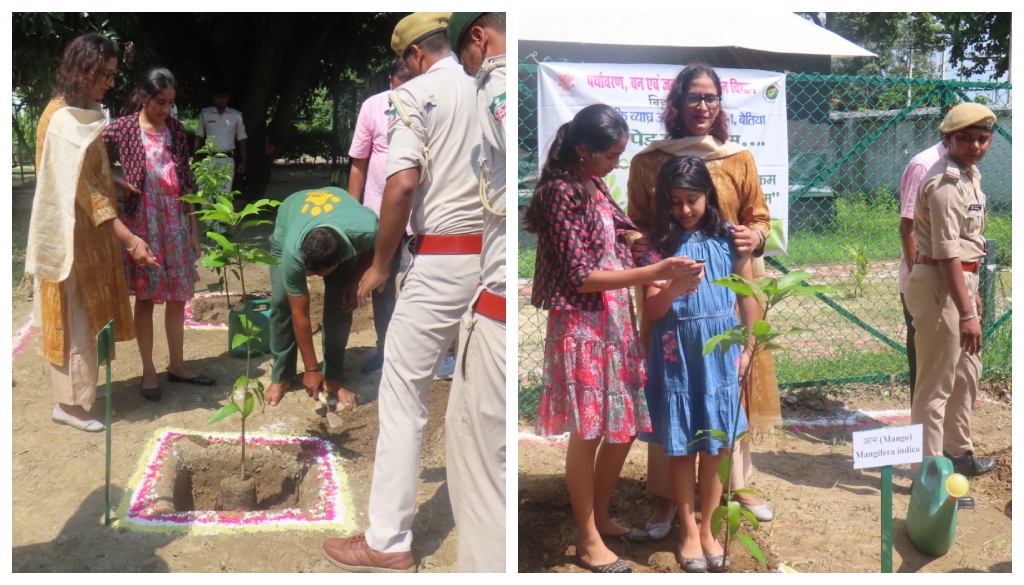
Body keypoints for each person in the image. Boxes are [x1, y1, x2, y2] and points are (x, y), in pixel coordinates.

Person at [321, 13, 483, 572]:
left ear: (413, 55)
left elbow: (403, 182)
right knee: (475, 394)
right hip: (493, 261)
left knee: (402, 393)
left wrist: (380, 265)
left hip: (439, 258)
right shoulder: (486, 85)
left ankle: (387, 541)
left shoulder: (412, 94)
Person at [524, 104, 704, 573]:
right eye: (610, 155)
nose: (616, 164)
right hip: (583, 325)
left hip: (614, 320)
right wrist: (654, 269)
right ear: (584, 151)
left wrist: (636, 241)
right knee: (588, 432)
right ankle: (586, 540)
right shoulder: (558, 193)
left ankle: (600, 515)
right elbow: (581, 276)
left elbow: (621, 230)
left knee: (620, 425)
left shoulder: (593, 184)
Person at [627, 64, 779, 534]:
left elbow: (760, 216)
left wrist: (754, 236)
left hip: (729, 279)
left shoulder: (739, 159)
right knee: (671, 386)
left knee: (729, 381)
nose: (703, 107)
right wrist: (645, 246)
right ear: (674, 104)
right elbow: (631, 222)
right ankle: (665, 496)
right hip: (669, 283)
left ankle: (735, 484)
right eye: (693, 97)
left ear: (720, 104)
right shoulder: (648, 162)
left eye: (711, 98)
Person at [25, 33, 150, 431]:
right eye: (105, 74)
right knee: (75, 316)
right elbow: (85, 190)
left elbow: (89, 172)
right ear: (83, 70)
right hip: (72, 239)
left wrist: (114, 179)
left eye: (113, 75)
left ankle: (80, 395)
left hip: (91, 236)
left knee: (88, 312)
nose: (110, 83)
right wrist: (130, 239)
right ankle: (72, 406)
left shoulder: (81, 110)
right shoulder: (61, 119)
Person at [640, 156, 757, 572]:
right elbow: (653, 309)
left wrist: (747, 345)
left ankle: (708, 526)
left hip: (721, 356)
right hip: (676, 357)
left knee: (717, 444)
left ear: (708, 194)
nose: (684, 210)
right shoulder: (659, 245)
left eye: (692, 199)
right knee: (682, 444)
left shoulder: (729, 238)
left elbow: (746, 294)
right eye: (674, 202)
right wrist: (673, 285)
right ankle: (687, 529)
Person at [103, 67, 212, 401]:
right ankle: (149, 371)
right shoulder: (121, 128)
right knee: (148, 298)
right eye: (160, 102)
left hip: (176, 223)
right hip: (142, 225)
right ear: (145, 96)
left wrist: (194, 229)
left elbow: (188, 183)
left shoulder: (177, 131)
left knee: (179, 296)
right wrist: (118, 182)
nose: (166, 109)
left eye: (170, 103)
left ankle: (177, 366)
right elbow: (92, 162)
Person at [444, 11, 507, 572]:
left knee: (483, 470)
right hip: (495, 301)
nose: (467, 69)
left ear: (479, 40)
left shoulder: (498, 84)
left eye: (465, 58)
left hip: (499, 308)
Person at [906, 102, 997, 478]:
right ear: (948, 139)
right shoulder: (944, 184)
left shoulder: (969, 175)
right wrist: (968, 313)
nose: (975, 145)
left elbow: (968, 245)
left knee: (966, 373)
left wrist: (971, 292)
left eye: (982, 138)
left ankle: (958, 454)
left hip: (962, 283)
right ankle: (931, 479)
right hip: (940, 287)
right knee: (934, 387)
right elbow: (946, 256)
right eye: (965, 138)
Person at [263, 187, 378, 407]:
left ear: (340, 261)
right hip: (292, 213)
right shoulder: (294, 252)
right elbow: (300, 314)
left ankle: (333, 376)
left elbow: (375, 247)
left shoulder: (367, 229)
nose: (307, 276)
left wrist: (355, 280)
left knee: (341, 303)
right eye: (307, 269)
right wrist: (311, 369)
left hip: (344, 224)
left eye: (315, 273)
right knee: (281, 303)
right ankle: (282, 376)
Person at [348, 59, 412, 374]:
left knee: (421, 283)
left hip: (423, 214)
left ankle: (429, 354)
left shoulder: (431, 104)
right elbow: (359, 161)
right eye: (401, 85)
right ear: (391, 80)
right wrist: (352, 210)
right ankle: (385, 351)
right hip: (380, 211)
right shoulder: (373, 107)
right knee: (382, 281)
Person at [898, 140, 946, 406]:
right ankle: (923, 431)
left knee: (947, 360)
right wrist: (919, 273)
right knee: (924, 358)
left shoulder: (966, 166)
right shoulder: (924, 165)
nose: (975, 144)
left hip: (954, 277)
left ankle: (942, 432)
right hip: (925, 278)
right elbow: (908, 227)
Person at [194, 87, 248, 232]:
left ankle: (221, 228)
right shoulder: (205, 114)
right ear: (213, 98)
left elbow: (242, 137)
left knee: (224, 194)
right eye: (218, 97)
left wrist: (244, 159)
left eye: (223, 97)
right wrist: (195, 155)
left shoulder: (236, 116)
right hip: (209, 158)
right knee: (205, 192)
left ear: (228, 98)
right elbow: (199, 135)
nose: (220, 100)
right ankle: (209, 226)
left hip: (227, 159)